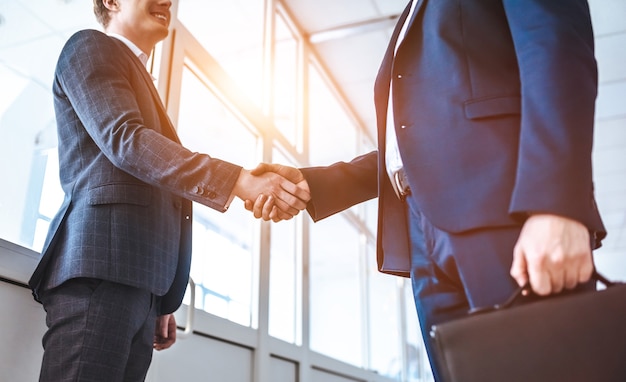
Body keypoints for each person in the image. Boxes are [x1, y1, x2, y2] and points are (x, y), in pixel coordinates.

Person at [248, 0, 606, 380]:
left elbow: (555, 47)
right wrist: (314, 183)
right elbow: (416, 145)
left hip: (506, 210)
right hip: (424, 230)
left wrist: (556, 205)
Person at [27, 0, 309, 381]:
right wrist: (238, 179)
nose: (168, 2)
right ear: (111, 1)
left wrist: (161, 299)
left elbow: (151, 182)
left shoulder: (138, 77)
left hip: (138, 286)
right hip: (100, 275)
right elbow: (127, 142)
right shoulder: (91, 46)